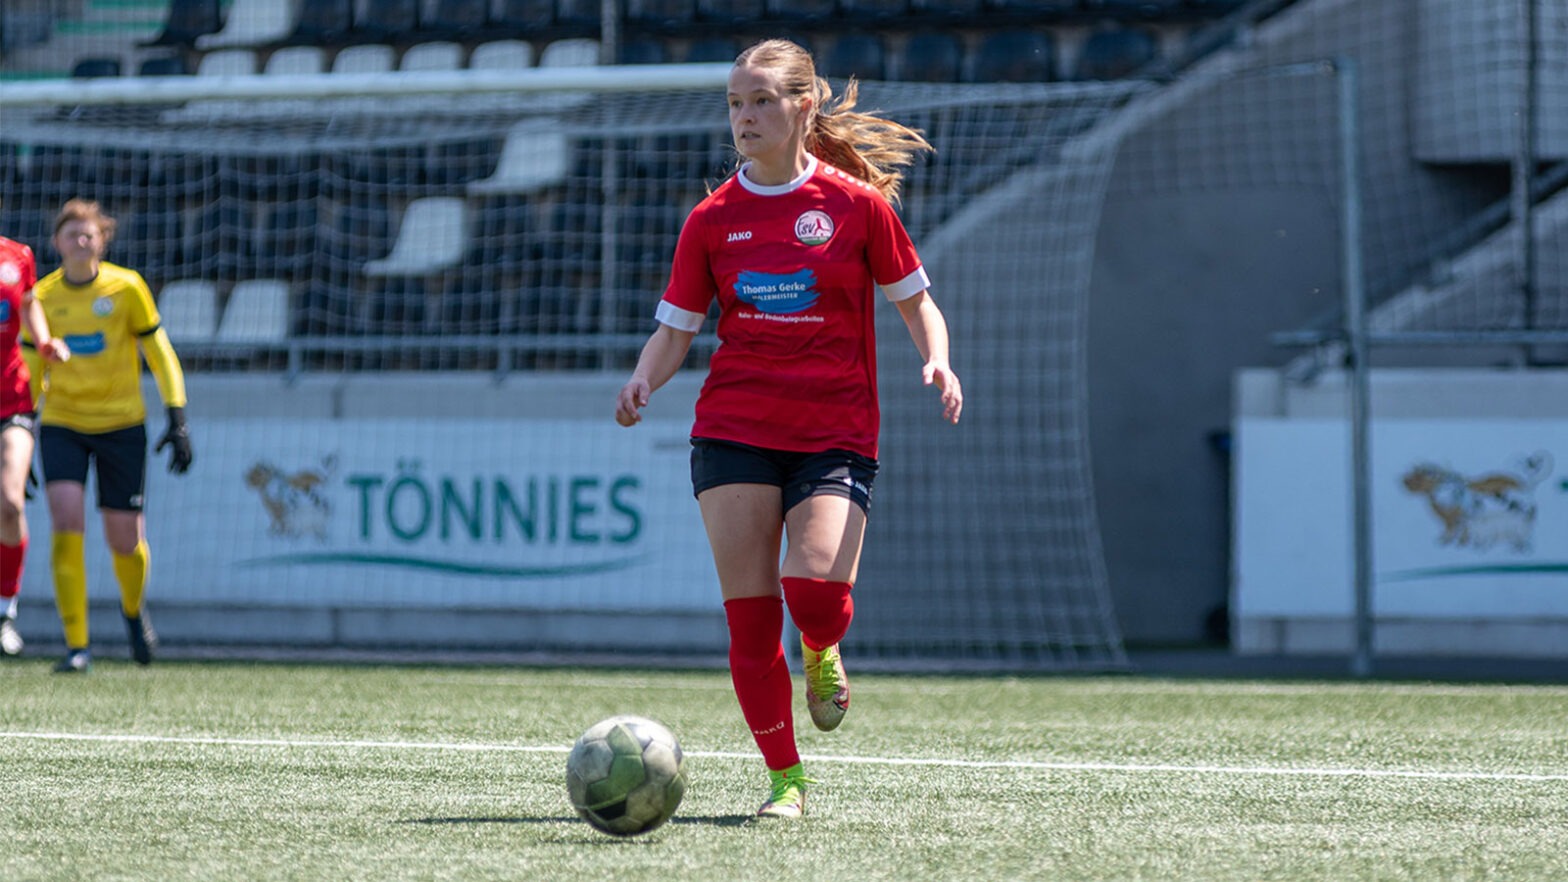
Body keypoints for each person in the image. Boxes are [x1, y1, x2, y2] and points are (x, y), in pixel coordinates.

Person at [614, 39, 963, 819]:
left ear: (804, 107)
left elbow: (915, 302)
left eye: (762, 101)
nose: (745, 117)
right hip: (734, 426)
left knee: (815, 599)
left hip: (835, 429)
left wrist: (938, 360)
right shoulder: (711, 221)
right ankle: (786, 781)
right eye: (736, 103)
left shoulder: (856, 207)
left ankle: (821, 646)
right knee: (749, 616)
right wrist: (644, 377)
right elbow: (674, 331)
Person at [26, 199, 193, 673]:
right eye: (71, 233)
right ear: (56, 242)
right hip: (63, 423)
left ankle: (133, 611)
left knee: (125, 539)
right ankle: (77, 646)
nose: (81, 241)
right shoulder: (42, 296)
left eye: (89, 234)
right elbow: (32, 365)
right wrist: (19, 428)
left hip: (122, 425)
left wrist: (176, 416)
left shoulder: (127, 287)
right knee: (65, 519)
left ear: (103, 240)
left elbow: (159, 351)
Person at [1, 230, 69, 657]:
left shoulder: (17, 255)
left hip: (12, 398)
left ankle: (5, 611)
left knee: (9, 504)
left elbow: (28, 302)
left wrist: (43, 339)